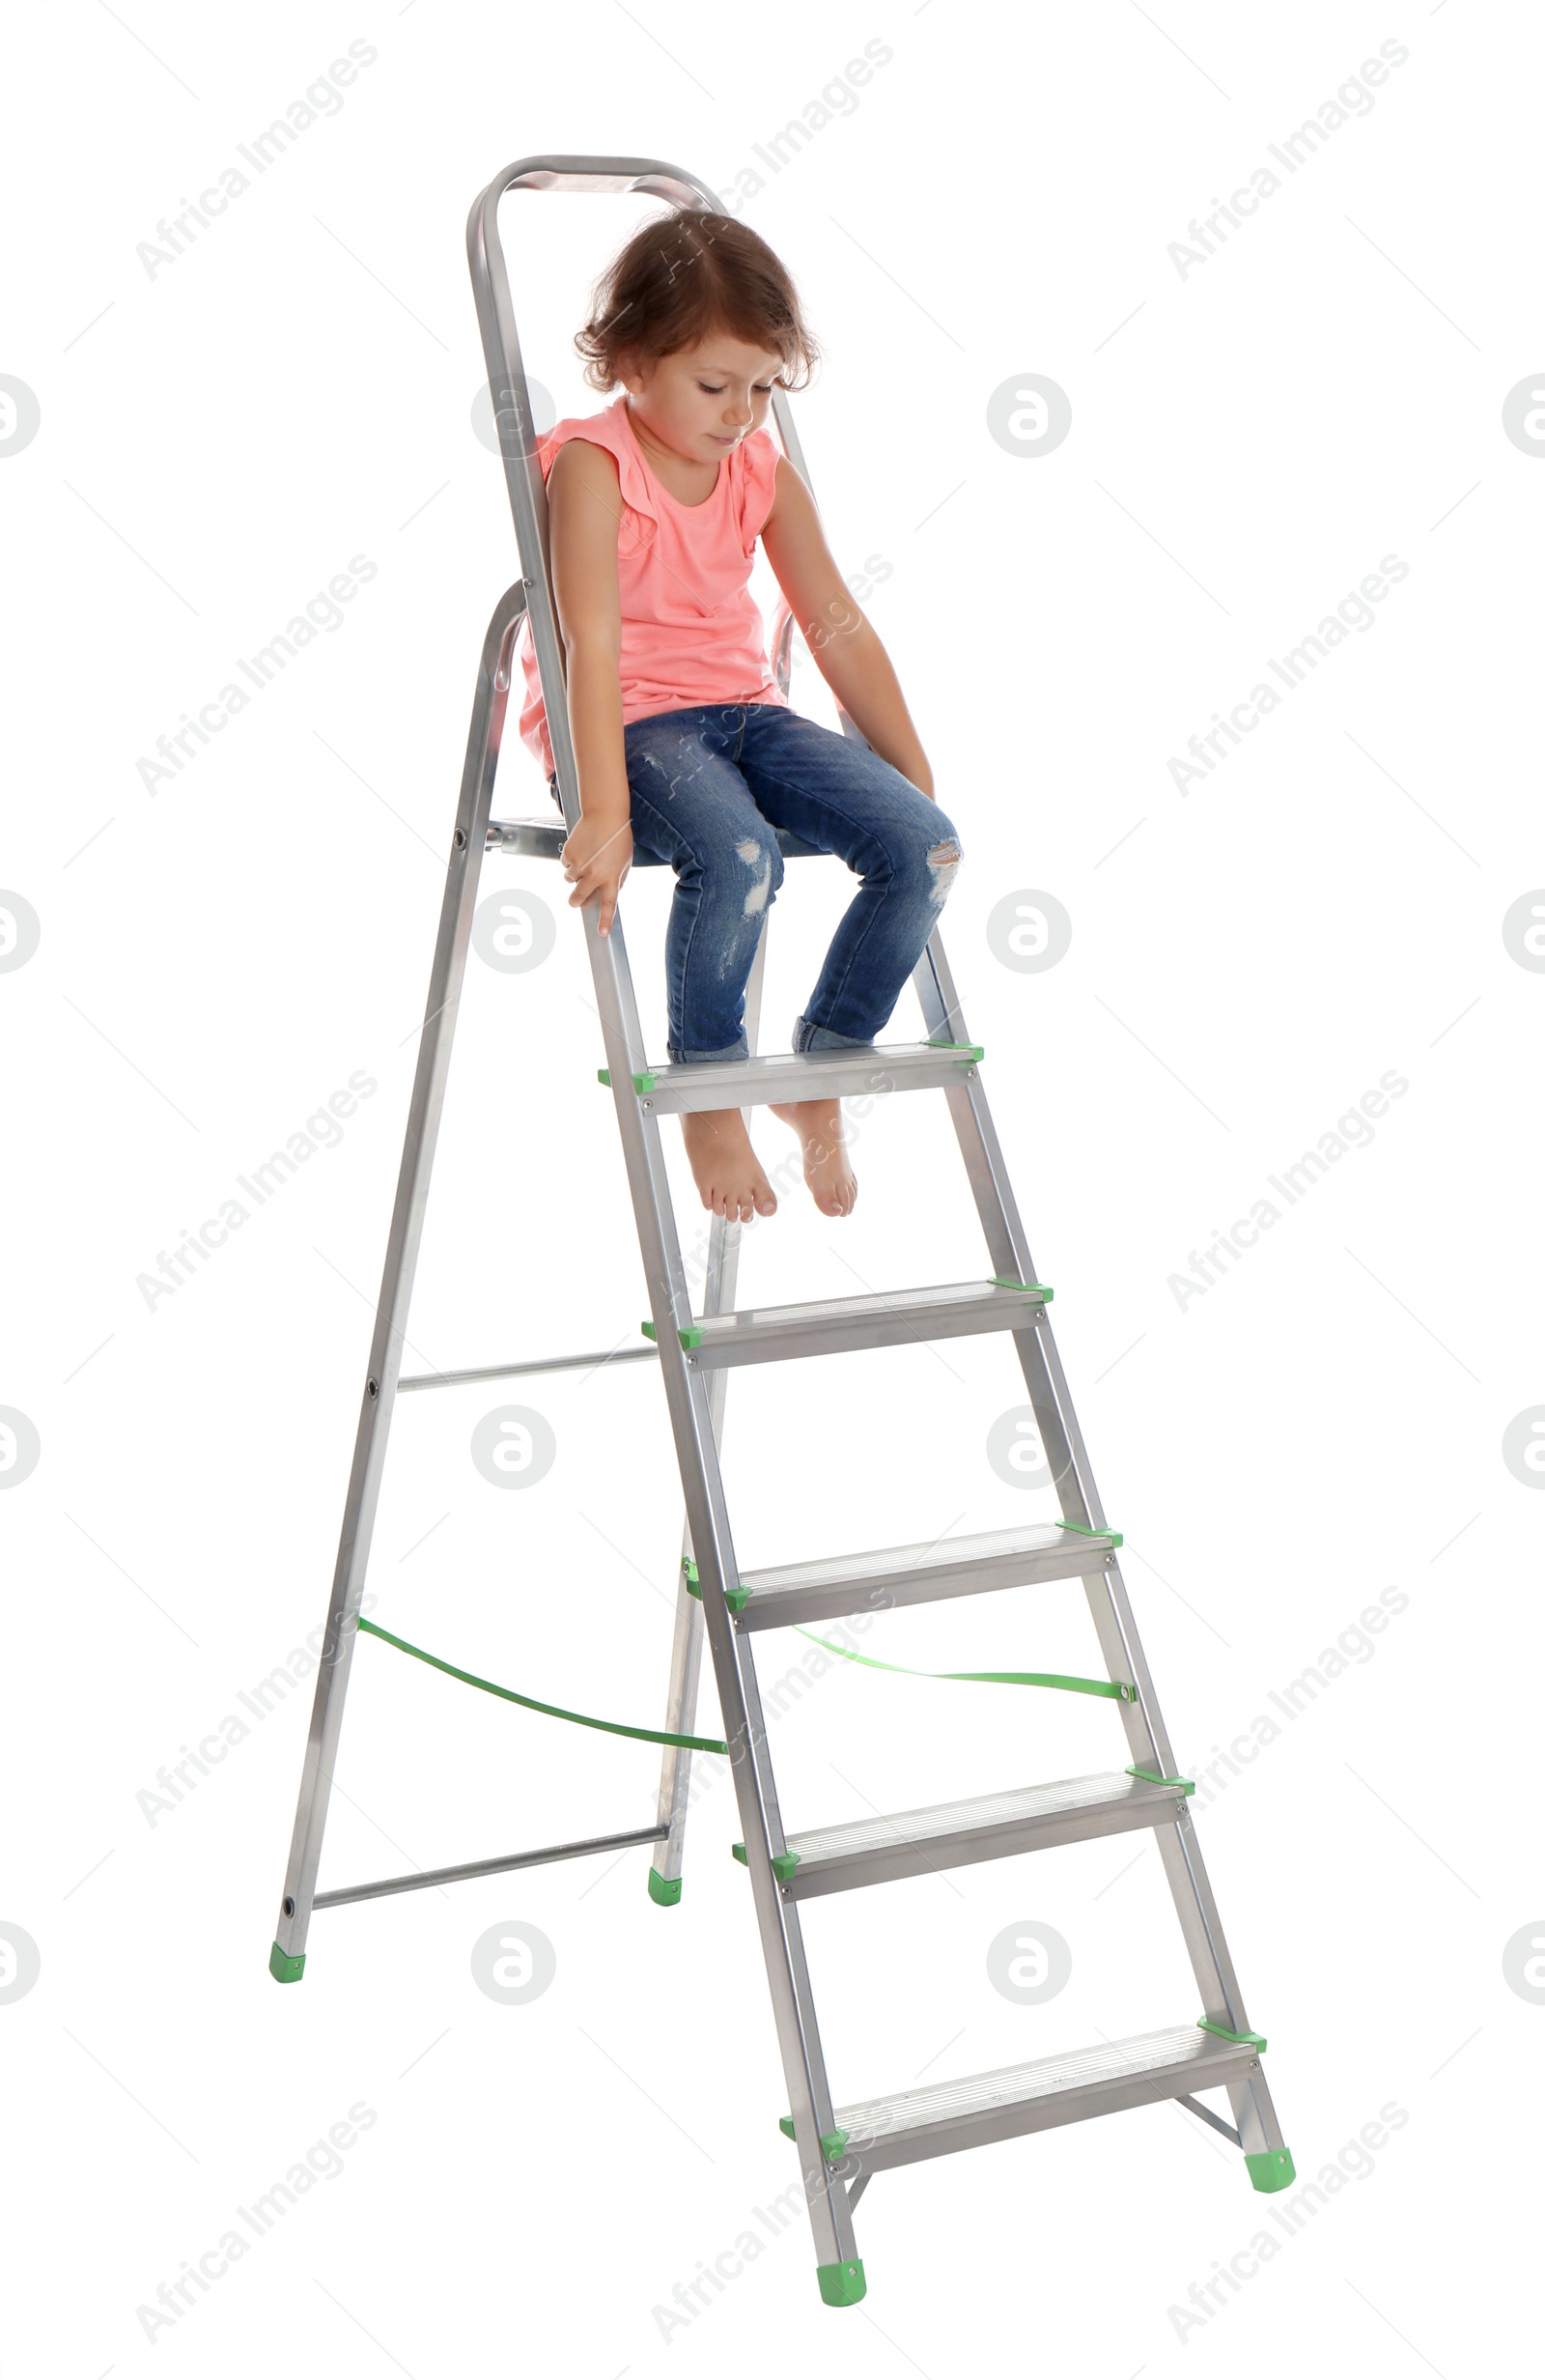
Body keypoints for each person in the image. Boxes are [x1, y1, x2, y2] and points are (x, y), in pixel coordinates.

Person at [515, 207, 963, 1225]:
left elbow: (835, 620)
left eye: (761, 388)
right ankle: (712, 1092)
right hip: (631, 726)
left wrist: (908, 776)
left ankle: (821, 1073)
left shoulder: (758, 468)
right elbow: (591, 639)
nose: (741, 413)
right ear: (630, 360)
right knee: (740, 854)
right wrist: (602, 808)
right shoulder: (592, 463)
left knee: (926, 848)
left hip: (746, 714)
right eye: (715, 386)